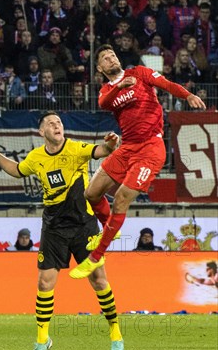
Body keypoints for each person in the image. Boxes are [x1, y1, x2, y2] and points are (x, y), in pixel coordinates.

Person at [0, 112, 124, 350]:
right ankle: (41, 340)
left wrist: (111, 145)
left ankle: (116, 336)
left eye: (58, 122)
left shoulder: (76, 148)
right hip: (54, 227)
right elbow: (17, 170)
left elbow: (101, 150)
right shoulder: (36, 158)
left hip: (84, 224)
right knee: (45, 284)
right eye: (50, 123)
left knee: (98, 279)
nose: (56, 125)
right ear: (41, 132)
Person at [70, 44, 206, 279]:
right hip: (127, 148)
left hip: (151, 149)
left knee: (121, 198)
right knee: (91, 193)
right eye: (105, 58)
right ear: (100, 68)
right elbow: (104, 103)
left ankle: (95, 257)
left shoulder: (140, 74)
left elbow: (167, 84)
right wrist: (119, 87)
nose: (111, 58)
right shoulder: (106, 91)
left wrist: (188, 95)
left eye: (112, 55)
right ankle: (110, 230)